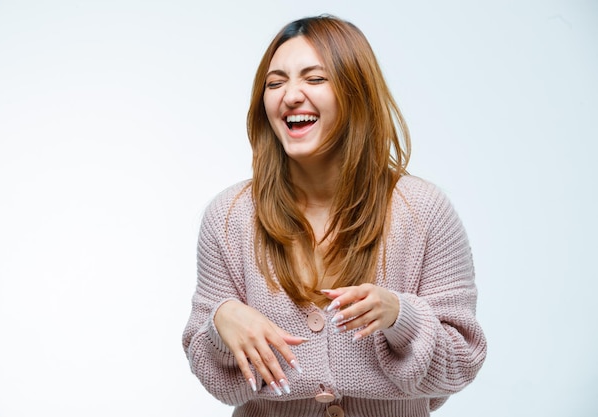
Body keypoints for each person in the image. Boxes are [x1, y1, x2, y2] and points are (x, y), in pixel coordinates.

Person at [182, 14, 487, 417]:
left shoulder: (423, 211)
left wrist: (401, 317)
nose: (290, 95)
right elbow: (212, 374)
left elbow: (463, 361)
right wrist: (221, 322)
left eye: (315, 78)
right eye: (275, 83)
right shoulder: (230, 216)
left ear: (355, 91)